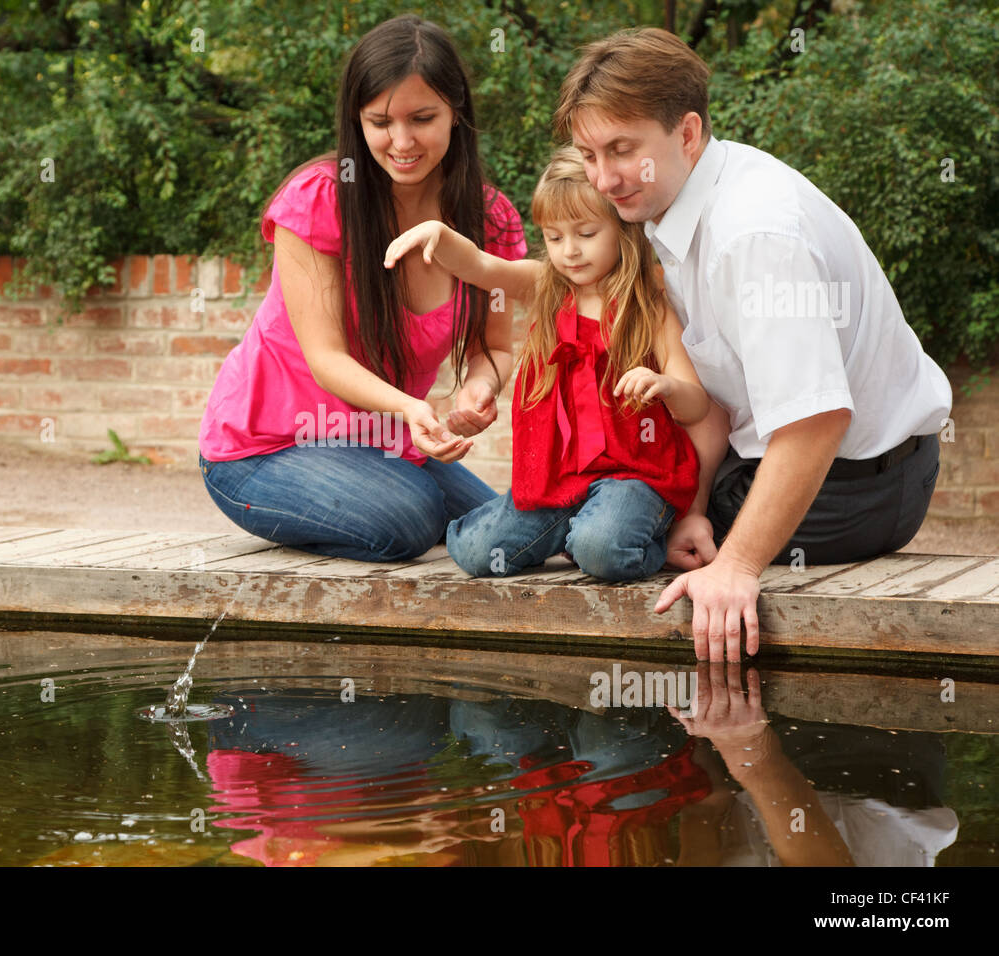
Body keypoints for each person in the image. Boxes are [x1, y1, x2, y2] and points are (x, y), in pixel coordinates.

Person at [553, 28, 952, 659]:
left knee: (622, 517)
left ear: (686, 134)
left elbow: (816, 419)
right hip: (793, 463)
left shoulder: (752, 233)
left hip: (857, 488)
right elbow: (716, 401)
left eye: (621, 150)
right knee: (632, 491)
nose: (602, 179)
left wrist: (735, 566)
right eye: (589, 154)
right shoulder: (677, 199)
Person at [196, 14, 527, 562]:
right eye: (380, 122)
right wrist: (412, 411)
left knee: (512, 529)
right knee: (410, 518)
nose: (402, 141)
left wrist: (478, 389)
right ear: (358, 120)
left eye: (423, 118)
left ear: (456, 112)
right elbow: (327, 359)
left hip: (378, 445)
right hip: (264, 449)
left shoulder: (491, 220)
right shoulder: (319, 199)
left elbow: (492, 348)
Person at [384, 146, 709, 581]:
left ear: (622, 226)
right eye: (555, 238)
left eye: (586, 233)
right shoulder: (546, 288)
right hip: (559, 481)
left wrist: (665, 385)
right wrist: (438, 234)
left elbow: (696, 405)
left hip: (635, 476)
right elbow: (482, 265)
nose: (569, 251)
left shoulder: (647, 304)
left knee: (602, 551)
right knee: (475, 552)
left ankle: (637, 537)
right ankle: (574, 529)